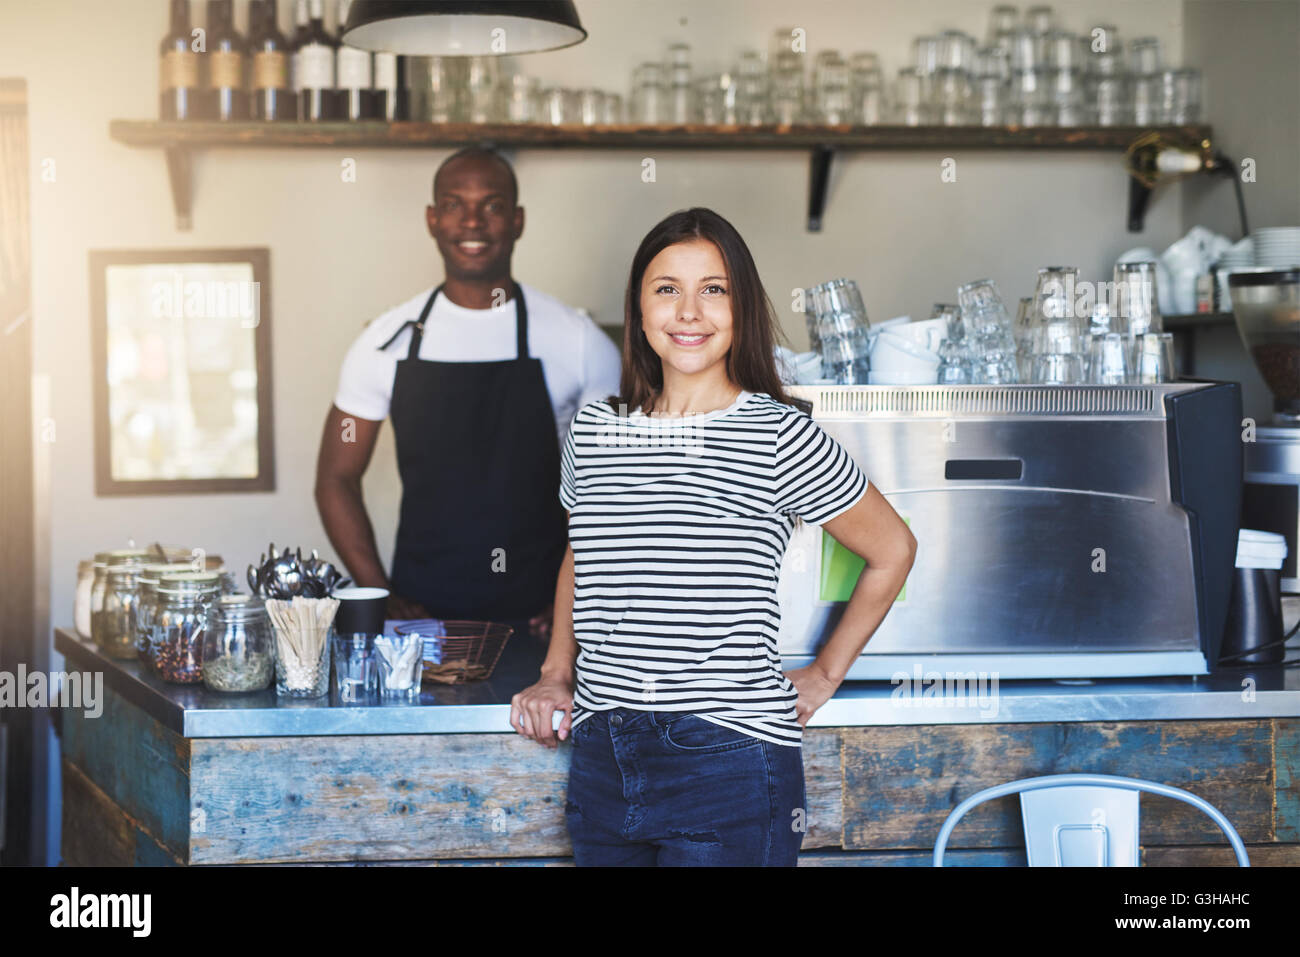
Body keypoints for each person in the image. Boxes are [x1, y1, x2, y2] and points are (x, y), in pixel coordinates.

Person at [510, 207, 917, 866]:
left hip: (729, 762)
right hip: (602, 757)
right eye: (666, 288)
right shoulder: (594, 432)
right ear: (640, 311)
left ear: (741, 309)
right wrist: (556, 673)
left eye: (715, 289)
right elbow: (581, 553)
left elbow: (893, 548)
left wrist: (823, 673)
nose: (689, 310)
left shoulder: (780, 435)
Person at [316, 147, 621, 638]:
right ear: (433, 220)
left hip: (542, 621)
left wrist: (575, 601)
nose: (473, 223)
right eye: (455, 205)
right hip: (421, 621)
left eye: (493, 206)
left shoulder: (580, 342)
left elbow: (612, 490)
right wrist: (382, 595)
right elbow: (336, 477)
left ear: (518, 221)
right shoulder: (382, 344)